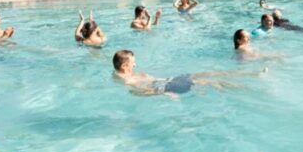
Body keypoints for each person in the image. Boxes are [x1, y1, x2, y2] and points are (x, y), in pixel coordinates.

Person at [112, 50, 265, 98]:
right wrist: (166, 93)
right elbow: (137, 93)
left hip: (170, 80)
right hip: (169, 86)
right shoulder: (125, 80)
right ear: (125, 65)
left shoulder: (128, 75)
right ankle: (250, 90)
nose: (135, 64)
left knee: (210, 73)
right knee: (211, 82)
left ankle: (252, 74)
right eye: (133, 62)